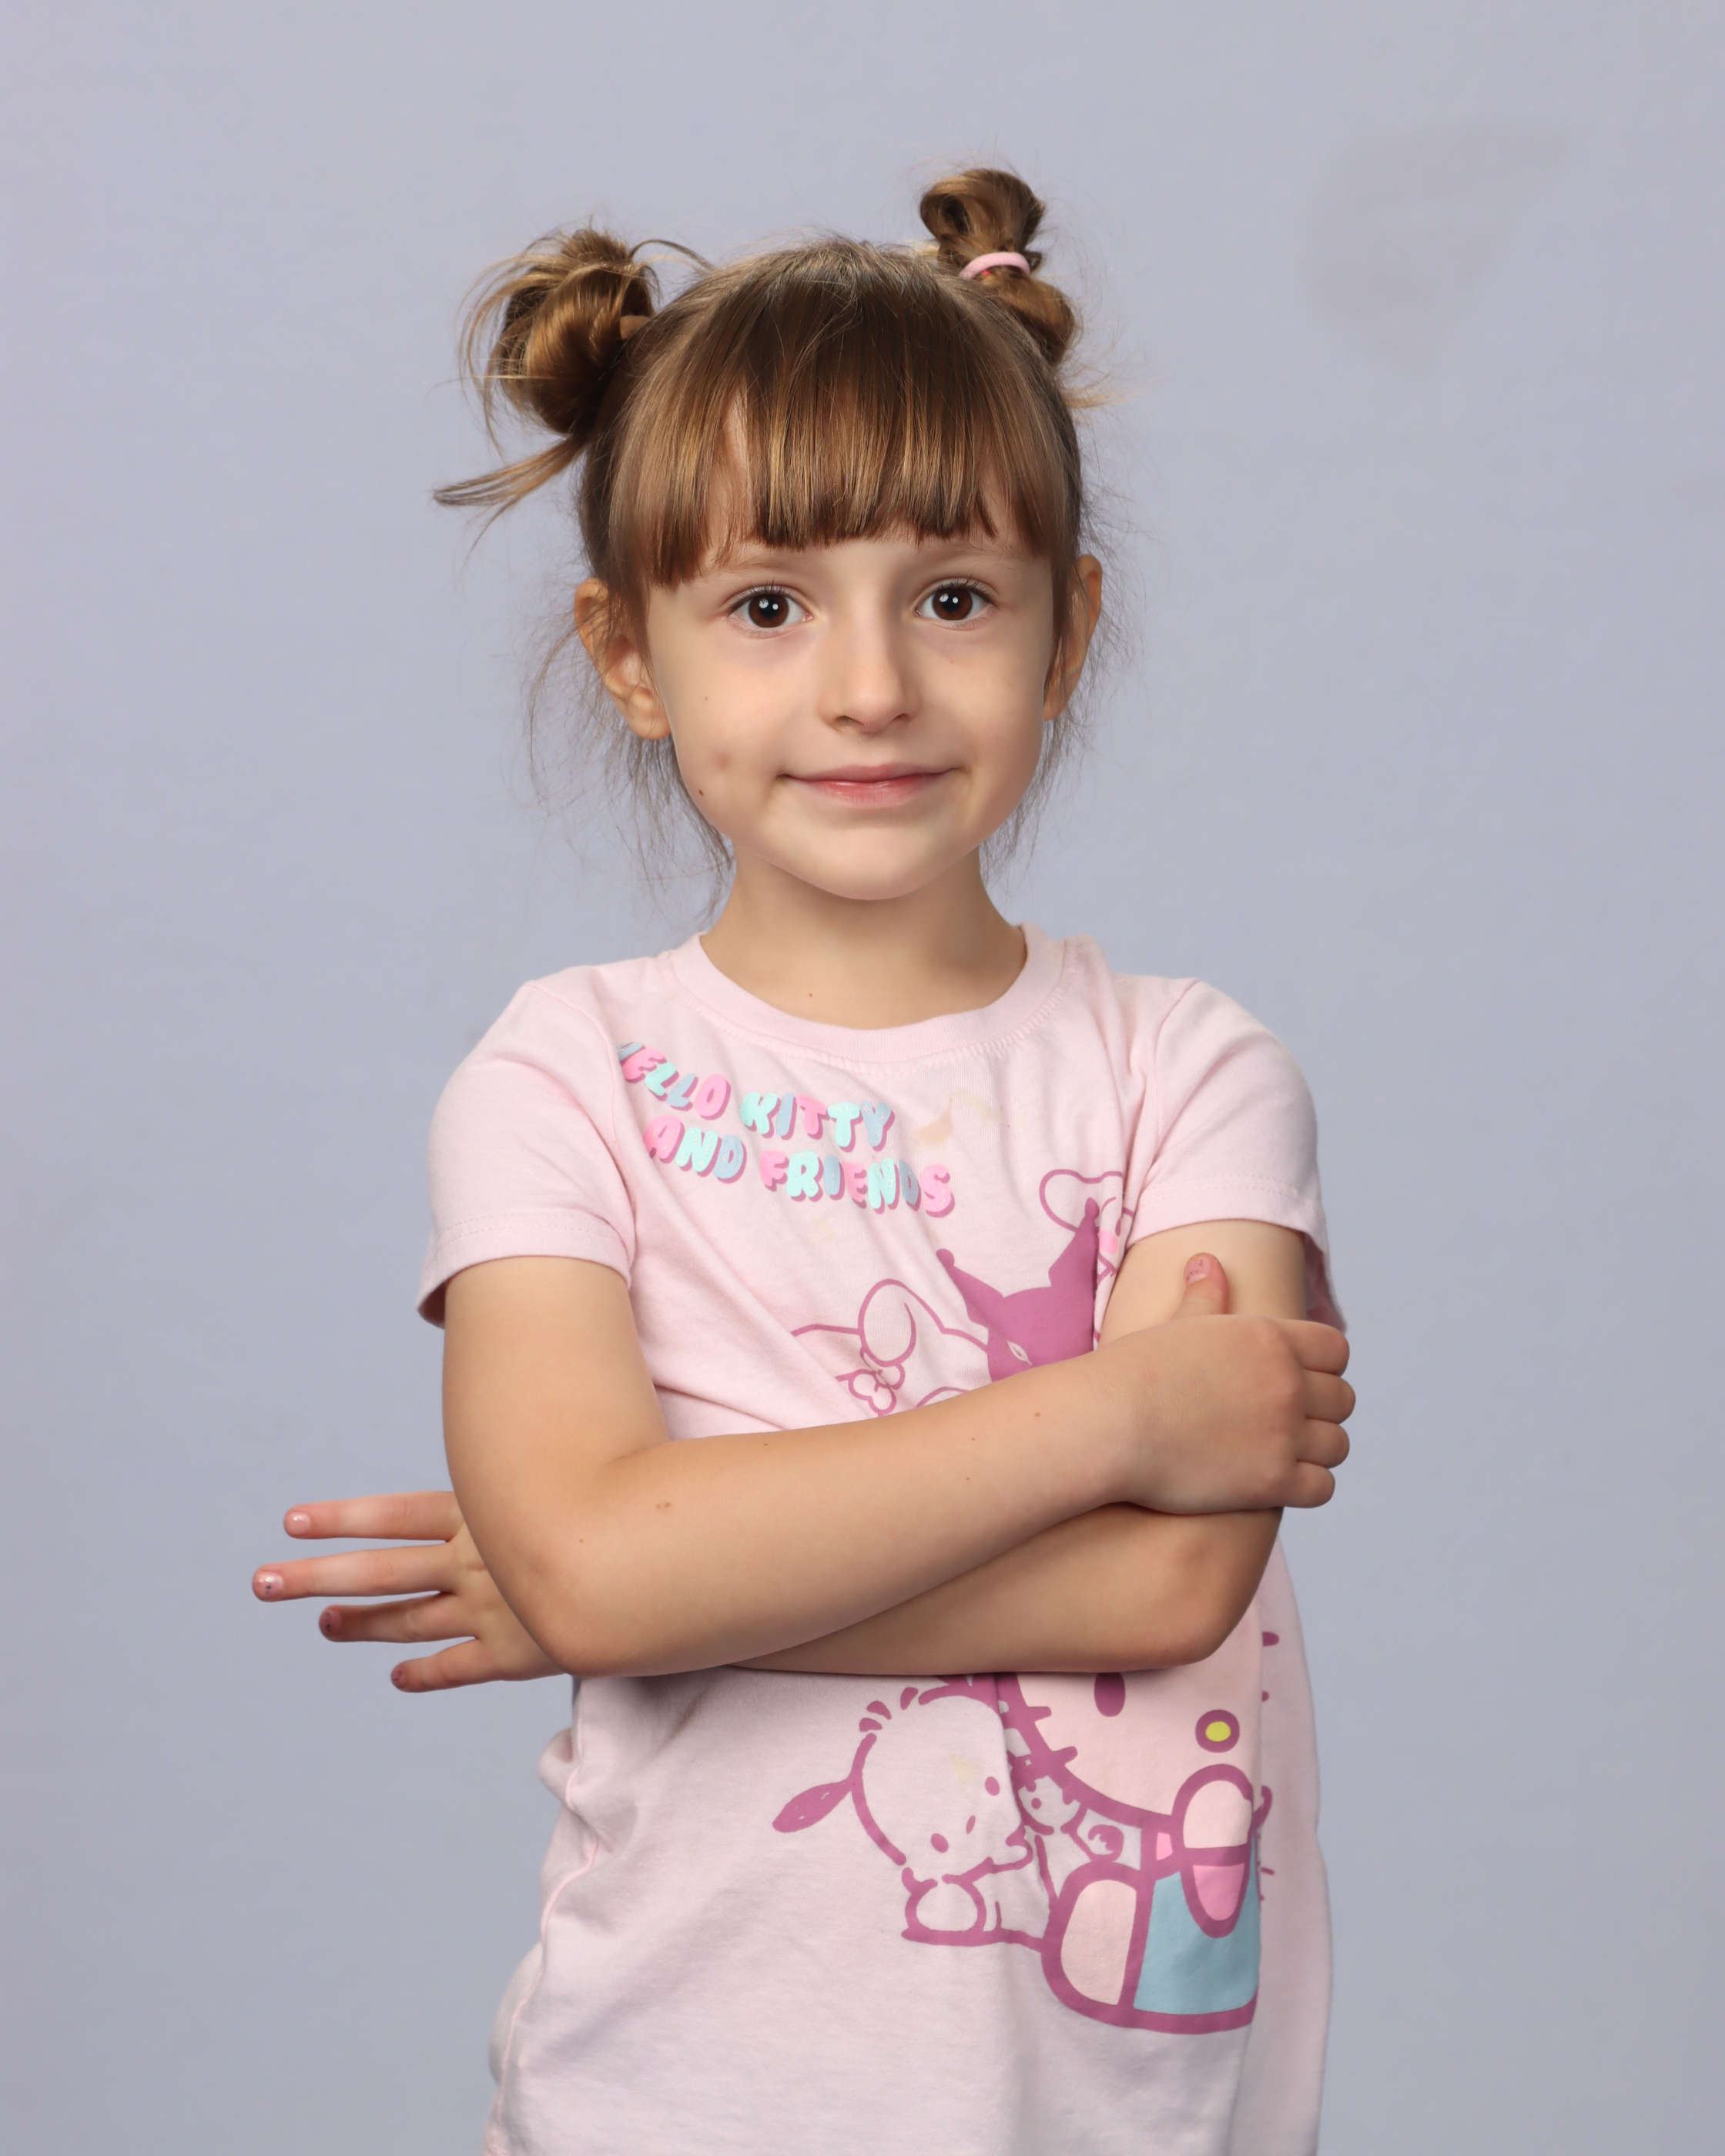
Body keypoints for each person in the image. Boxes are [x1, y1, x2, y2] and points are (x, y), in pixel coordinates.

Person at [252, 167, 1354, 2156]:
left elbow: (1172, 1579)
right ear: (631, 654)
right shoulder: (565, 1078)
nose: (869, 687)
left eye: (955, 598)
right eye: (768, 607)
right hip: (668, 2099)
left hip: (1110, 2111)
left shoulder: (1188, 1073)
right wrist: (1121, 1412)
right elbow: (600, 1561)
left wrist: (667, 1584)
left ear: (1068, 629)